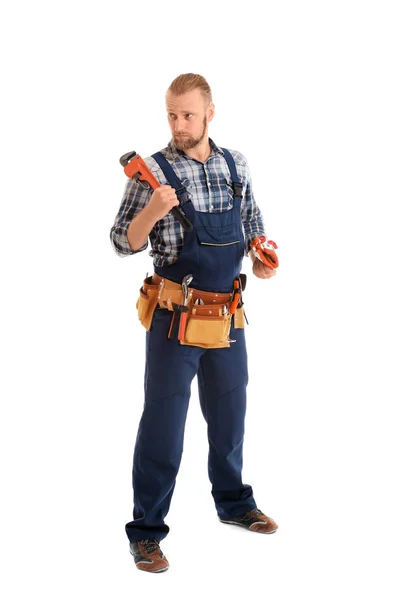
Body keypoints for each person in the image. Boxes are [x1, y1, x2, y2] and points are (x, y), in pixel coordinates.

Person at [110, 73, 279, 573]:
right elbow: (122, 242)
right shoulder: (151, 174)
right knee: (163, 428)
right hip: (172, 317)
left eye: (187, 114)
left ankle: (233, 503)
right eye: (171, 114)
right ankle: (146, 532)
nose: (178, 124)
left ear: (209, 113)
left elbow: (252, 225)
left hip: (227, 315)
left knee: (230, 416)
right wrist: (152, 211)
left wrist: (262, 257)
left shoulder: (234, 165)